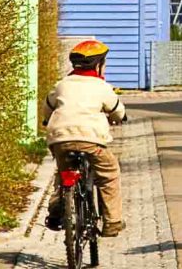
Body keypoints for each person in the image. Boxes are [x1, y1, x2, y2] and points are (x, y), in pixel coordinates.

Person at [43, 39, 128, 237]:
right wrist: (120, 118)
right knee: (109, 174)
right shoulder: (101, 86)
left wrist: (47, 121)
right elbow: (117, 111)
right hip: (92, 141)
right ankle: (112, 222)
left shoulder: (61, 85)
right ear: (98, 65)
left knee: (63, 174)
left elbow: (48, 108)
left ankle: (57, 212)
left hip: (60, 139)